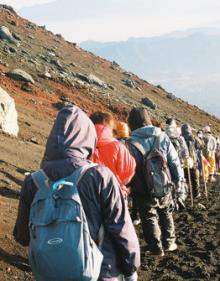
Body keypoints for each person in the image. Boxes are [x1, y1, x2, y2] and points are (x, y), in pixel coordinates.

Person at [13, 105, 140, 281]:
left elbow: (22, 236)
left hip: (49, 272)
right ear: (87, 136)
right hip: (99, 271)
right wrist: (131, 268)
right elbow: (121, 228)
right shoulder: (100, 176)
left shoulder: (33, 181)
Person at [126, 108, 186, 256]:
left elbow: (129, 168)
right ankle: (170, 242)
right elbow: (174, 161)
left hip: (142, 186)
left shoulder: (130, 142)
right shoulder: (162, 136)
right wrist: (179, 182)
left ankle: (155, 247)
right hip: (164, 183)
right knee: (166, 211)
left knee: (148, 216)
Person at [90, 112, 136, 198]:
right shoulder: (120, 147)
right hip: (114, 197)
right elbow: (128, 172)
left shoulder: (79, 143)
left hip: (83, 197)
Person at [181, 124, 201, 198]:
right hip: (192, 161)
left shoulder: (180, 138)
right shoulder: (194, 138)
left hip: (182, 161)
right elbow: (201, 146)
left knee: (184, 177)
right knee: (195, 178)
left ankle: (184, 193)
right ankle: (196, 193)